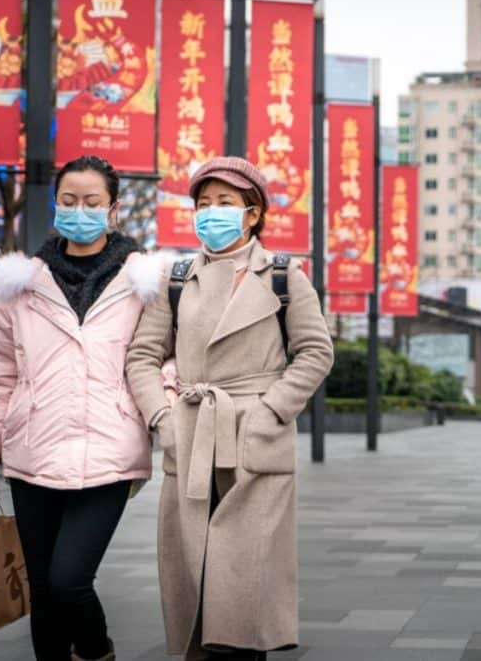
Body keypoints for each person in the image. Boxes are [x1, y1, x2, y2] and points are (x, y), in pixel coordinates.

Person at [125, 156, 334, 660]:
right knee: (194, 569)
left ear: (253, 213)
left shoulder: (285, 275)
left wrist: (271, 410)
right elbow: (141, 355)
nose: (210, 213)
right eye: (202, 204)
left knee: (246, 577)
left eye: (224, 203)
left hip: (256, 436)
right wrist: (163, 418)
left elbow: (315, 350)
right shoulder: (175, 279)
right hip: (193, 434)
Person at [0, 155, 163, 661]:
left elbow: (162, 359)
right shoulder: (21, 285)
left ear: (113, 209)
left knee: (69, 579)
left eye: (92, 202)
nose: (80, 210)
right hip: (33, 452)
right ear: (56, 205)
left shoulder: (144, 284)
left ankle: (97, 652)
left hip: (109, 453)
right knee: (43, 589)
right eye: (69, 201)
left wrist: (160, 408)